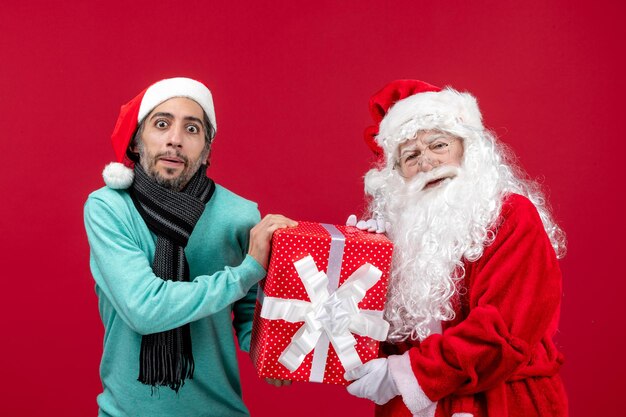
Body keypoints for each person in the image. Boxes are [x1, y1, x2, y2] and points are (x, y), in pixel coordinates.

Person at [344, 80, 567, 417]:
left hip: (501, 404)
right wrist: (359, 269)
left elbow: (502, 333)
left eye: (438, 145)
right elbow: (372, 338)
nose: (427, 162)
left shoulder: (511, 216)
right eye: (411, 155)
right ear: (398, 173)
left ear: (468, 148)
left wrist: (402, 375)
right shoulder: (399, 235)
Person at [84, 77, 296, 417]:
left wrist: (276, 351)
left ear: (207, 149)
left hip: (219, 409)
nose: (175, 140)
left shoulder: (239, 214)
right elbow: (144, 308)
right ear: (137, 142)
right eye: (162, 124)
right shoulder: (109, 207)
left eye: (192, 129)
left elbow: (247, 315)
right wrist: (247, 271)